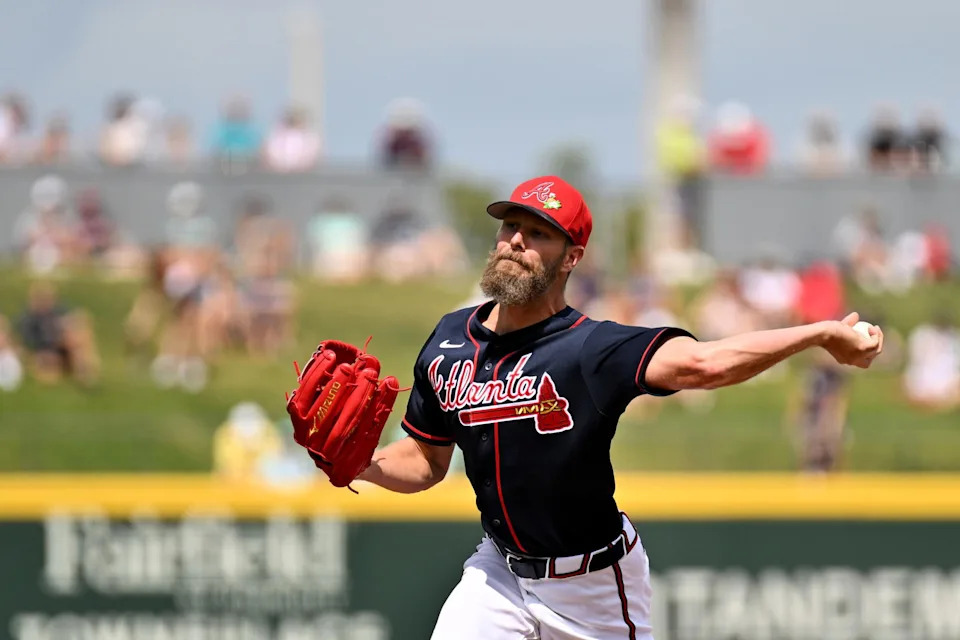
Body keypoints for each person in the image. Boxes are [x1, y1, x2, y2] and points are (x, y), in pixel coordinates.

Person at [356, 175, 883, 640]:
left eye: (538, 233)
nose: (516, 240)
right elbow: (427, 461)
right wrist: (361, 464)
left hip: (592, 585)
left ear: (572, 256)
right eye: (510, 226)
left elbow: (704, 364)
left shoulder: (590, 349)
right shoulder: (451, 339)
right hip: (499, 571)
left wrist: (818, 333)